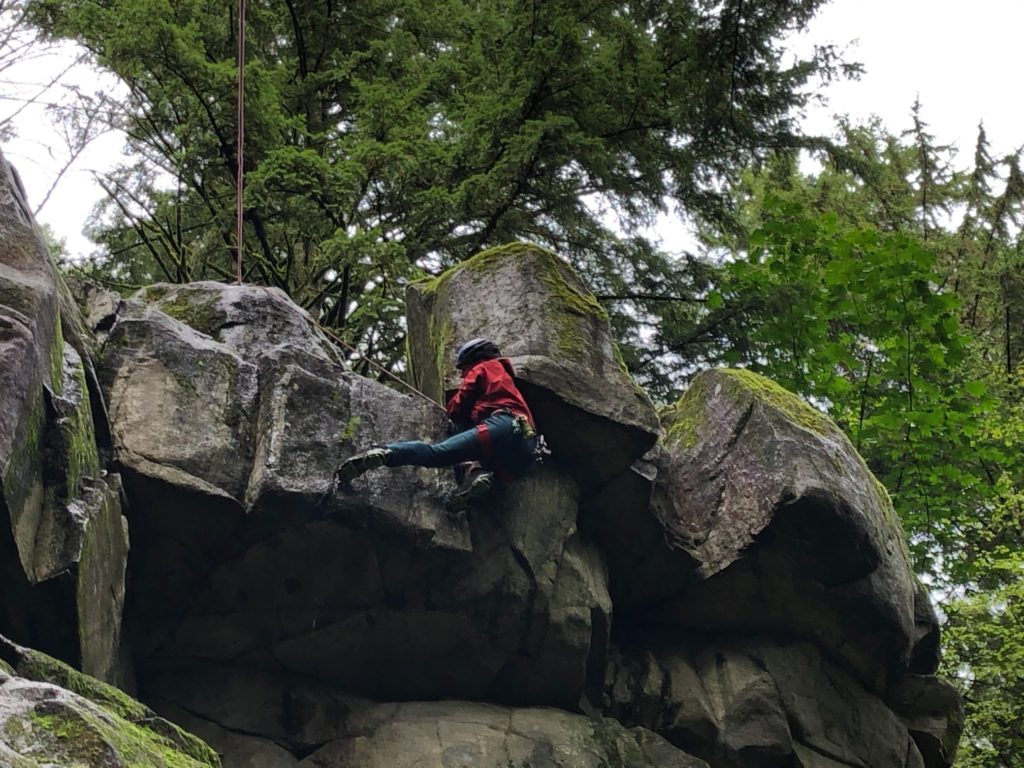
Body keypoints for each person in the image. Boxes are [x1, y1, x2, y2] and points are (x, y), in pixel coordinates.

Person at [335, 337, 540, 510]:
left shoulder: (484, 367)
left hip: (502, 425)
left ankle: (386, 453)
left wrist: (452, 408)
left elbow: (460, 403)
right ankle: (476, 476)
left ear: (474, 360)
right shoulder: (510, 387)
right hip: (525, 453)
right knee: (482, 459)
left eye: (463, 369)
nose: (462, 375)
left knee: (438, 453)